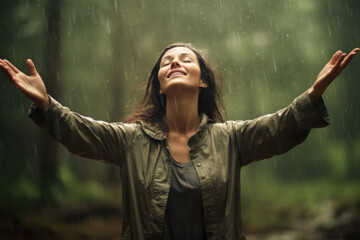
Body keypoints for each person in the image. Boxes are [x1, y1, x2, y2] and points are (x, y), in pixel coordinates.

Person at [0, 43, 359, 240]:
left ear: (203, 80)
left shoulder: (230, 138)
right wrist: (46, 104)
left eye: (185, 58)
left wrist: (313, 94)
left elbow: (282, 126)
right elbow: (78, 130)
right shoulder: (130, 141)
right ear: (159, 84)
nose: (174, 62)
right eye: (166, 61)